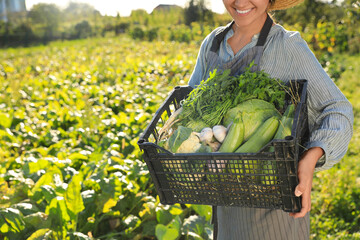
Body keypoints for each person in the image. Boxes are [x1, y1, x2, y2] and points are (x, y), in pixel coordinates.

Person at [187, 0, 354, 239]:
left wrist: (310, 157)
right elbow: (193, 108)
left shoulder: (287, 46)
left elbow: (337, 109)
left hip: (272, 203)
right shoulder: (213, 44)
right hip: (224, 199)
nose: (241, 2)